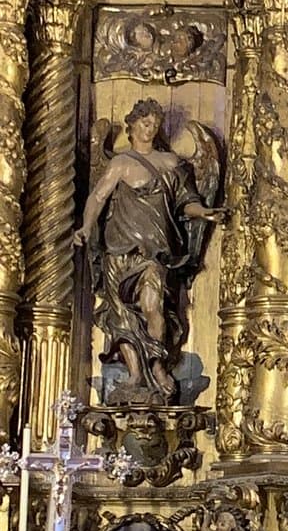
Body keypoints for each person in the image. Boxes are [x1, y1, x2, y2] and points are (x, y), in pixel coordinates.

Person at [74, 99, 225, 404]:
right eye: (145, 123)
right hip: (119, 250)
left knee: (152, 305)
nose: (150, 128)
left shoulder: (171, 163)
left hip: (155, 253)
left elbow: (187, 201)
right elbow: (97, 198)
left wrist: (205, 213)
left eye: (155, 124)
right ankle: (134, 376)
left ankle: (157, 365)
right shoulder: (120, 163)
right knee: (121, 317)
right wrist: (86, 228)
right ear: (132, 126)